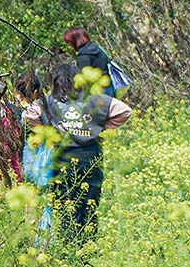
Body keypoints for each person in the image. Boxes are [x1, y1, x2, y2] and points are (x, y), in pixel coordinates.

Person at [23, 60, 133, 238]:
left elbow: (27, 114)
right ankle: (85, 247)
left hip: (61, 159)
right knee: (89, 204)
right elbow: (125, 111)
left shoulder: (48, 101)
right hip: (90, 159)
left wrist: (46, 130)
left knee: (64, 204)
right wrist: (100, 127)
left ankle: (67, 247)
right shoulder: (94, 100)